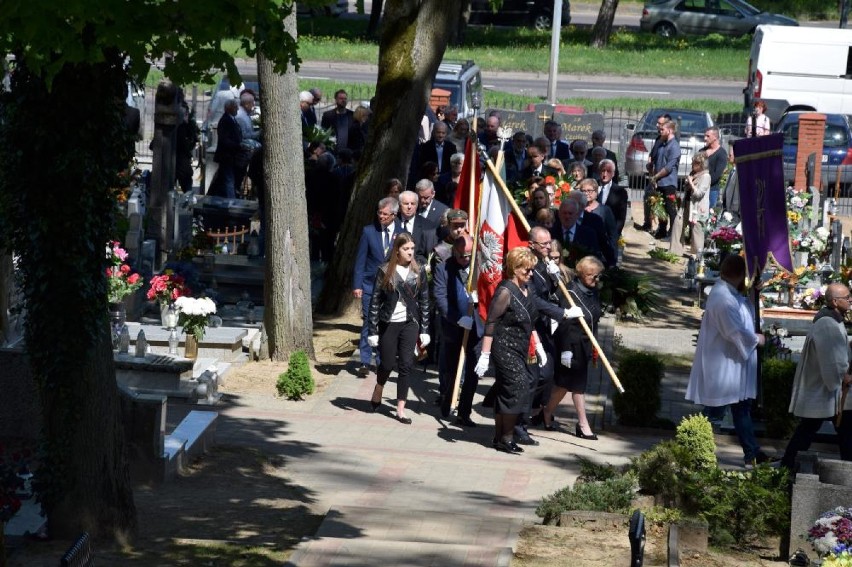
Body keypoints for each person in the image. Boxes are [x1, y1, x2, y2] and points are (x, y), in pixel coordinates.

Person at [685, 254, 771, 467]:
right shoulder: (722, 297)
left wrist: (753, 292)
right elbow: (734, 331)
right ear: (740, 275)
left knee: (741, 408)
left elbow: (744, 310)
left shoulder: (729, 291)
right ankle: (692, 450)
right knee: (714, 413)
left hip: (733, 365)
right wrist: (756, 340)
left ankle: (751, 453)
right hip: (723, 365)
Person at [474, 247, 547, 453]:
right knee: (518, 386)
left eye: (532, 270)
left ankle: (499, 438)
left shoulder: (527, 289)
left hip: (521, 346)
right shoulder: (505, 291)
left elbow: (530, 322)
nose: (531, 274)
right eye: (527, 270)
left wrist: (539, 345)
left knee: (509, 390)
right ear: (515, 269)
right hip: (504, 347)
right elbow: (491, 323)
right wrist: (485, 355)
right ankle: (507, 437)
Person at [781, 283, 852, 469]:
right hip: (825, 389)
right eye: (847, 297)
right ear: (835, 301)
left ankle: (787, 465)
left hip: (826, 389)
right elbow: (832, 359)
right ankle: (787, 465)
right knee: (814, 429)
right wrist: (843, 377)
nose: (851, 299)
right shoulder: (828, 323)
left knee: (815, 428)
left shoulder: (833, 319)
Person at [367, 233, 431, 424]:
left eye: (412, 248)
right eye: (406, 249)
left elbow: (425, 300)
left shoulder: (419, 271)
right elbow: (375, 302)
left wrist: (425, 329)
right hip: (389, 323)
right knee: (386, 364)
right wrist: (372, 331)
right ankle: (379, 386)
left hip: (410, 323)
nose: (410, 252)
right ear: (397, 250)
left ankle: (400, 409)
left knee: (405, 365)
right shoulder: (385, 270)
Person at [540, 256, 604, 440]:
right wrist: (566, 349)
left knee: (564, 385)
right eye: (595, 276)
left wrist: (596, 344)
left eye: (599, 276)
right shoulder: (570, 293)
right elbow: (565, 325)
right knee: (576, 386)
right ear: (584, 274)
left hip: (585, 345)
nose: (597, 280)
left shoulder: (592, 292)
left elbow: (594, 319)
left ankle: (547, 412)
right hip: (570, 345)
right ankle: (583, 424)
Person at [353, 198, 405, 377]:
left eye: (385, 214)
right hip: (369, 284)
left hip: (390, 287)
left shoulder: (402, 232)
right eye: (379, 213)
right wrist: (357, 285)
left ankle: (382, 361)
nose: (381, 216)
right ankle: (365, 361)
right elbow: (360, 260)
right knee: (369, 320)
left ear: (394, 215)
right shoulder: (368, 231)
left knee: (386, 323)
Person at [433, 235, 480, 425]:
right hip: (454, 326)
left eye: (469, 255)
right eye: (462, 256)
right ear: (454, 251)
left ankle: (464, 412)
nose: (466, 259)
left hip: (476, 327)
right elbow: (440, 298)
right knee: (452, 369)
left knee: (473, 370)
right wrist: (457, 318)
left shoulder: (479, 268)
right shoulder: (443, 268)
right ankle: (448, 396)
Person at [648, 119, 681, 239]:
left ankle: (673, 233)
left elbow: (668, 168)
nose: (660, 131)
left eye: (663, 129)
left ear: (670, 130)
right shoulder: (662, 144)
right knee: (660, 208)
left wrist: (655, 177)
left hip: (669, 183)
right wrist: (651, 168)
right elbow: (656, 160)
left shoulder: (674, 146)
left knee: (671, 210)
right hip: (659, 182)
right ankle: (662, 230)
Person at [210, 98, 242, 199]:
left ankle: (212, 196)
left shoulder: (232, 119)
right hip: (226, 156)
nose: (237, 109)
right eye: (235, 107)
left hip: (231, 156)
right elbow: (224, 140)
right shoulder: (225, 120)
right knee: (229, 180)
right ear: (229, 108)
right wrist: (237, 145)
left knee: (221, 179)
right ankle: (231, 201)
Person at [597, 159, 629, 240]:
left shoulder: (620, 192)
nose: (605, 174)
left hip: (610, 234)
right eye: (603, 171)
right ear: (598, 171)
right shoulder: (591, 186)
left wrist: (615, 235)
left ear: (613, 174)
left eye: (608, 171)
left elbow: (621, 218)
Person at [702, 126, 728, 209]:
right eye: (705, 135)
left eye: (708, 136)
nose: (705, 138)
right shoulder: (702, 151)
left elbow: (717, 175)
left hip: (711, 190)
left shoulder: (721, 154)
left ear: (715, 137)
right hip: (698, 189)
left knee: (708, 217)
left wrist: (703, 183)